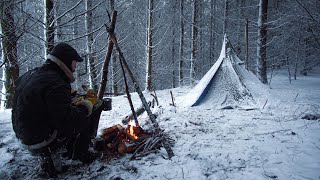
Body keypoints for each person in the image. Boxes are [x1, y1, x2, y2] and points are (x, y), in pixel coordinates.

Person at [12, 42, 105, 177]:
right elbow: (68, 122)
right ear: (65, 61)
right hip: (41, 139)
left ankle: (58, 150)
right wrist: (86, 105)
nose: (75, 66)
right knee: (93, 107)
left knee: (75, 109)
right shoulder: (56, 83)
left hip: (23, 136)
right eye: (74, 62)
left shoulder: (33, 74)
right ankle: (79, 153)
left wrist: (70, 97)